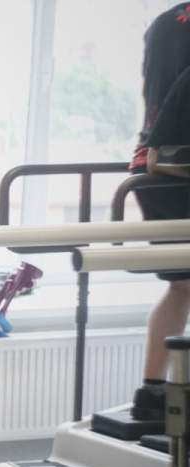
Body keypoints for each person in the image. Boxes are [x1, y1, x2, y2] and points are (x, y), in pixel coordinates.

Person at [131, 2, 190, 421]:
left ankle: (152, 393)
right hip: (177, 169)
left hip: (151, 169)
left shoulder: (166, 21)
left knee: (182, 286)